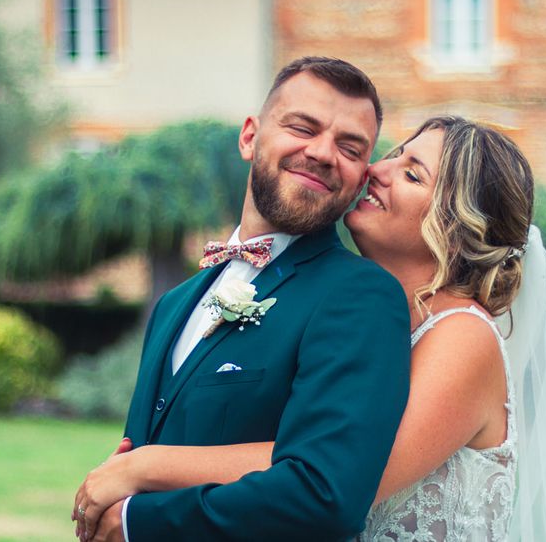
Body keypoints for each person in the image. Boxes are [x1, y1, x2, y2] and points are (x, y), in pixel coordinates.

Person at [75, 115, 546, 540]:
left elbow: (337, 471)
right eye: (395, 154)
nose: (377, 170)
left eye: (411, 173)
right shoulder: (367, 322)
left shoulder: (462, 337)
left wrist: (145, 469)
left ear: (455, 223)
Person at [73, 57, 412, 542]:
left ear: (360, 178)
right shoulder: (174, 304)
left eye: (349, 147)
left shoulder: (360, 296)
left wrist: (135, 522)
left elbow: (323, 495)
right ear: (250, 136)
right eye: (302, 127)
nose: (321, 152)